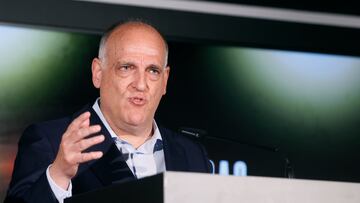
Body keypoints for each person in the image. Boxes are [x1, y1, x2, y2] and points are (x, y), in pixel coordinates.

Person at [5, 20, 211, 203]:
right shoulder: (51, 140)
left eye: (153, 71)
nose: (141, 84)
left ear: (165, 80)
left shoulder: (191, 153)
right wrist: (58, 176)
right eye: (126, 68)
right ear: (98, 73)